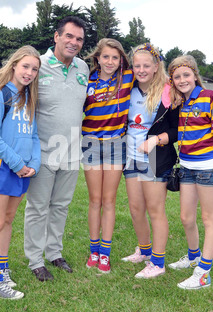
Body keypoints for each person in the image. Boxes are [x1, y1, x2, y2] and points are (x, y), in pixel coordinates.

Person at [0, 17, 89, 282]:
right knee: (38, 208)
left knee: (61, 206)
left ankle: (55, 252)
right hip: (39, 153)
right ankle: (35, 260)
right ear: (57, 36)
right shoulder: (37, 64)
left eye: (79, 39)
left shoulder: (83, 67)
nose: (74, 42)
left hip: (72, 152)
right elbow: (10, 93)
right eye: (69, 36)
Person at [167, 55, 213, 289]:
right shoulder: (180, 100)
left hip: (207, 168)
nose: (182, 79)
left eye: (186, 74)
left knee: (208, 218)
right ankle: (193, 256)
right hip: (186, 167)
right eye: (177, 76)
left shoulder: (210, 98)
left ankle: (203, 272)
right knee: (186, 217)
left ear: (195, 75)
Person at [0, 45, 41, 299]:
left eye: (34, 69)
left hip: (23, 170)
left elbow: (35, 135)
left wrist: (34, 164)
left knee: (8, 220)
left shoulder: (29, 97)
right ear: (15, 64)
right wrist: (17, 164)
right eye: (25, 66)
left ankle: (3, 269)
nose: (29, 72)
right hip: (2, 167)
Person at [121, 43, 179, 279]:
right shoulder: (128, 88)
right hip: (131, 157)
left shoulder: (168, 91)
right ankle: (144, 251)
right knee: (136, 209)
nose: (141, 70)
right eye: (137, 65)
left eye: (147, 65)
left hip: (156, 158)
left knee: (156, 211)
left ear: (156, 67)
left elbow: (178, 128)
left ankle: (158, 262)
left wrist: (158, 140)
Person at [82, 38, 134, 273]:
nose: (110, 61)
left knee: (109, 201)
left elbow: (154, 66)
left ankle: (105, 254)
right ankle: (93, 251)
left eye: (115, 57)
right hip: (90, 144)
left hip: (116, 145)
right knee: (95, 200)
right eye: (106, 57)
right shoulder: (86, 80)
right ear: (98, 58)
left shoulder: (128, 77)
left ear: (121, 59)